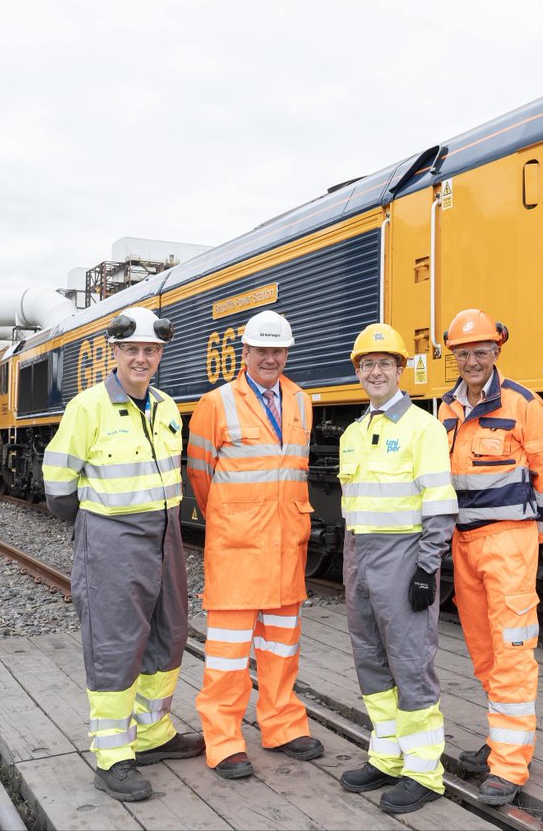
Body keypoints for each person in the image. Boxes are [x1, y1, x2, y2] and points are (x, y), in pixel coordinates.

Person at [42, 305, 204, 803]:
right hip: (111, 538)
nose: (141, 359)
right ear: (115, 352)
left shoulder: (167, 407)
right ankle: (112, 755)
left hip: (165, 535)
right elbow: (58, 487)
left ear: (160, 355)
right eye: (132, 349)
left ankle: (152, 734)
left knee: (169, 632)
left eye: (150, 350)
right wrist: (98, 526)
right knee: (115, 644)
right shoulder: (87, 407)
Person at [186, 309, 324, 781]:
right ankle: (223, 740)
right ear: (245, 352)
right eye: (262, 350)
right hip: (238, 549)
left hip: (287, 547)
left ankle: (282, 727)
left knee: (282, 647)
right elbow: (200, 477)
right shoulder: (217, 403)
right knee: (228, 652)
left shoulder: (302, 401)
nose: (270, 358)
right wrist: (233, 518)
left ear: (287, 353)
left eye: (278, 350)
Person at [437, 308, 543, 806]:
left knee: (512, 651)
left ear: (496, 351)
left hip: (509, 542)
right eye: (463, 354)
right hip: (464, 544)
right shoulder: (447, 408)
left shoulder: (523, 403)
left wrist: (532, 536)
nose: (472, 361)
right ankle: (500, 739)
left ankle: (510, 765)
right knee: (484, 651)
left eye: (480, 352)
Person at [336, 323, 457, 815]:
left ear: (400, 369)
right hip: (359, 558)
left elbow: (440, 503)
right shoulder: (352, 433)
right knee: (370, 661)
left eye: (384, 363)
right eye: (367, 364)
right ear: (358, 372)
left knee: (410, 665)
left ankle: (424, 771)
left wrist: (427, 568)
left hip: (403, 560)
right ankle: (386, 757)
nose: (375, 372)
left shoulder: (423, 428)